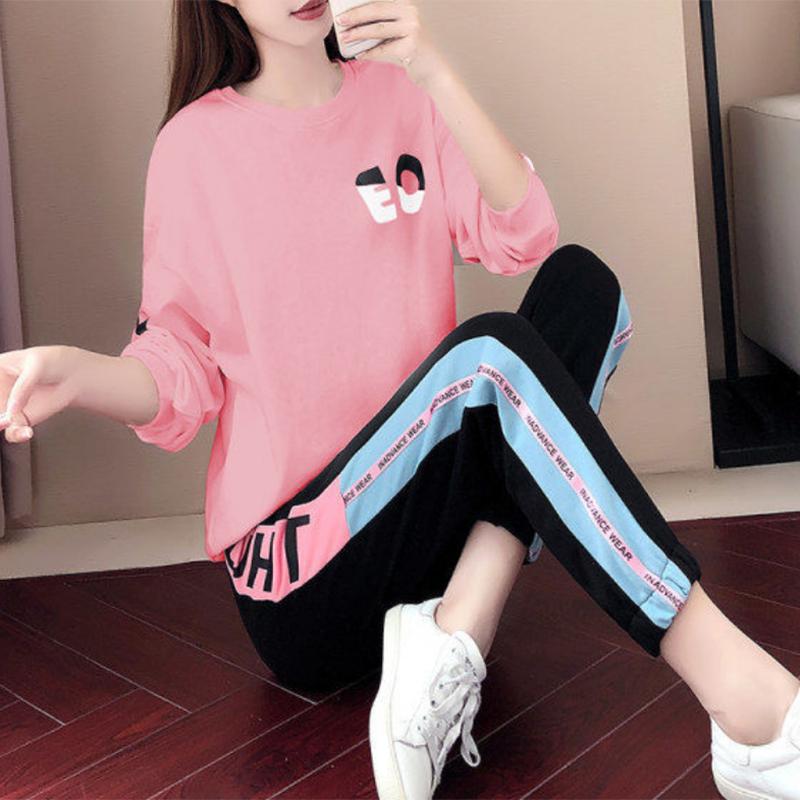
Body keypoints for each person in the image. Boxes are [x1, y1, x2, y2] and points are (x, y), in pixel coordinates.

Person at [1, 1, 798, 798]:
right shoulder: (195, 147)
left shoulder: (397, 96)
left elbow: (524, 233)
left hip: (425, 529)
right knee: (491, 359)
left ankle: (456, 630)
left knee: (584, 289)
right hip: (308, 577)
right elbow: (180, 370)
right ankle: (747, 703)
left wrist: (433, 71)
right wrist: (77, 376)